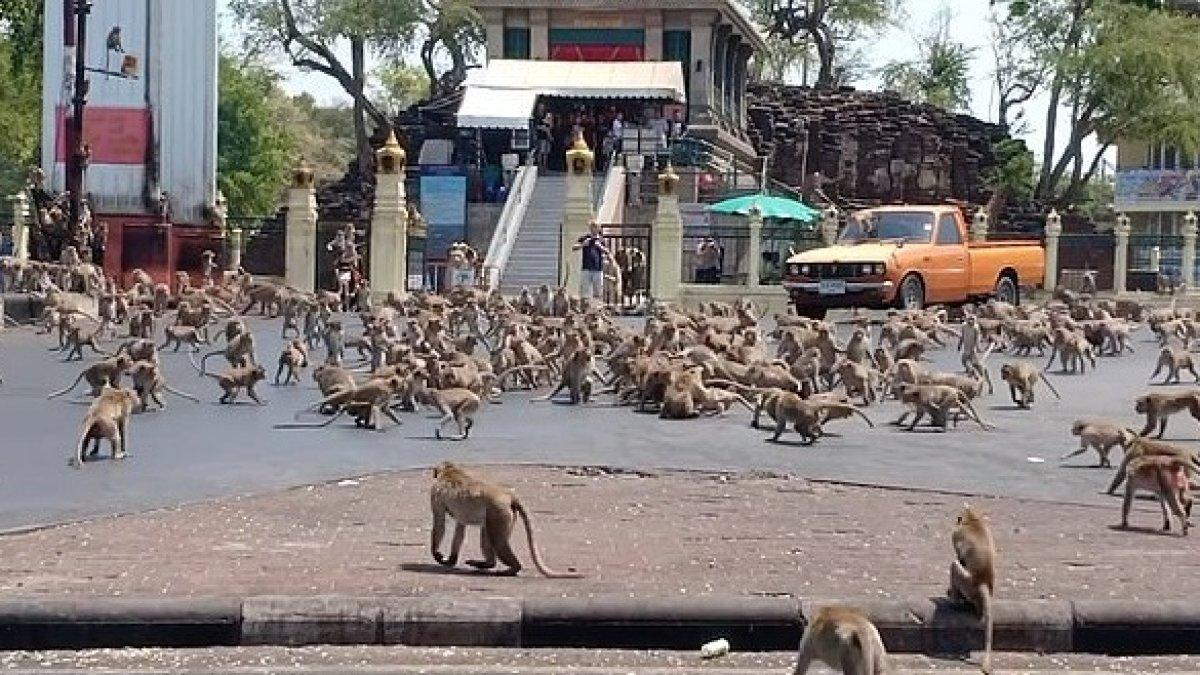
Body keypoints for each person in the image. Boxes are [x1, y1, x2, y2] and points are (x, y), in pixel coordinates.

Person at [572, 221, 611, 300]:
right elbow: (574, 247)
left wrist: (600, 247)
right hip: (586, 269)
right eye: (592, 227)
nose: (593, 229)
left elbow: (607, 252)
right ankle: (585, 309)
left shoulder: (601, 240)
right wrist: (583, 244)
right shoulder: (585, 238)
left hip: (598, 270)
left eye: (595, 227)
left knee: (598, 293)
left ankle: (597, 309)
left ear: (598, 228)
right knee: (584, 293)